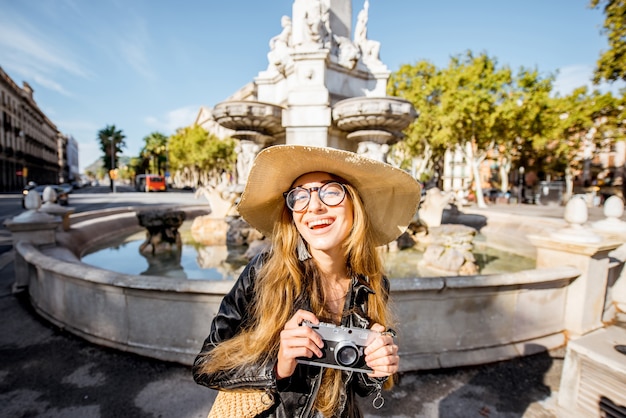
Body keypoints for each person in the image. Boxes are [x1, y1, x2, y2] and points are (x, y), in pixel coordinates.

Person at [192, 145, 421, 417]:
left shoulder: (373, 284)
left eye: (331, 191)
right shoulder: (264, 271)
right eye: (299, 197)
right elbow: (206, 365)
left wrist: (376, 368)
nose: (314, 206)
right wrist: (277, 366)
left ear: (354, 204)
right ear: (292, 214)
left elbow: (358, 386)